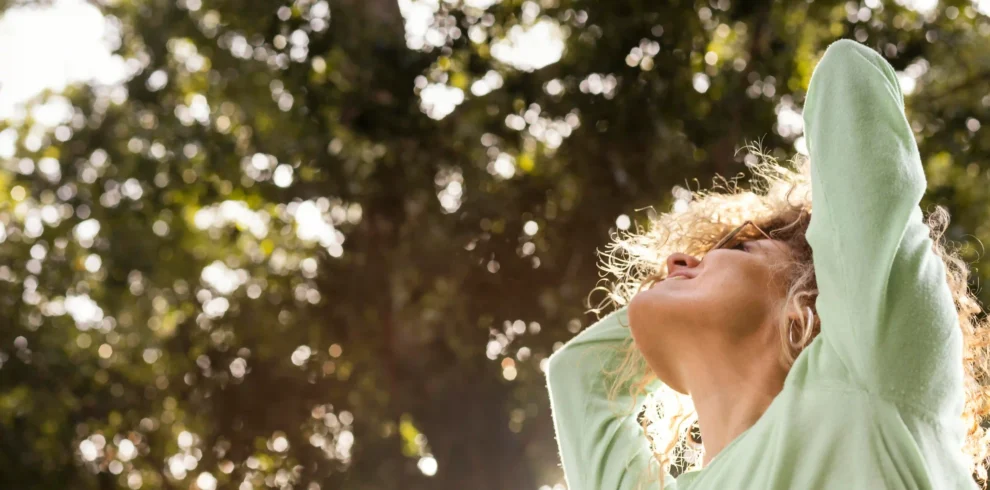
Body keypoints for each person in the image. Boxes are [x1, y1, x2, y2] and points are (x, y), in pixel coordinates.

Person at [545, 38, 990, 490]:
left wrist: (672, 310)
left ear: (810, 300)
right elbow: (577, 377)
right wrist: (671, 307)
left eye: (736, 246)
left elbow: (849, 79)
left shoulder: (868, 373)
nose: (677, 261)